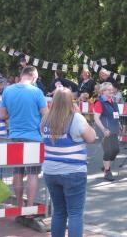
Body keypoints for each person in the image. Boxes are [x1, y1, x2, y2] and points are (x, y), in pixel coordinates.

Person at [41, 88, 96, 237]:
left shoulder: (45, 118)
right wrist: (78, 114)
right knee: (75, 213)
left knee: (58, 212)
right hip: (73, 171)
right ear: (70, 101)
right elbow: (91, 137)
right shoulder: (75, 118)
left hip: (50, 171)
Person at [0, 66, 47, 208]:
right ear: (33, 77)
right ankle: (30, 207)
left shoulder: (8, 91)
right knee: (33, 174)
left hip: (15, 136)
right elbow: (46, 114)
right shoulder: (37, 92)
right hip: (34, 137)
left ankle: (19, 205)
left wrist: (13, 115)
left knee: (17, 172)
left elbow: (2, 115)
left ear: (22, 75)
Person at [93, 82, 121, 181]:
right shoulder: (99, 102)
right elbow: (96, 118)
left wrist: (119, 125)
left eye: (112, 89)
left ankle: (105, 165)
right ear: (103, 91)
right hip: (105, 132)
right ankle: (107, 171)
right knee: (109, 151)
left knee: (116, 150)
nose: (111, 91)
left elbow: (116, 116)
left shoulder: (113, 102)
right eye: (109, 90)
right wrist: (103, 129)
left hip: (114, 131)